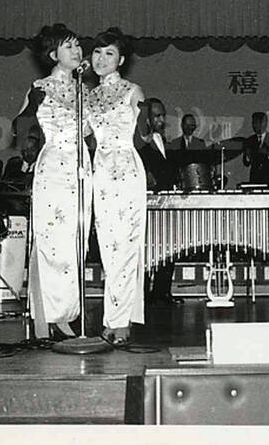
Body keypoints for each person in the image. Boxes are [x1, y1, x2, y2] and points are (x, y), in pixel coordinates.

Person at [13, 23, 90, 341]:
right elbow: (19, 126)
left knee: (76, 243)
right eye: (68, 46)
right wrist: (33, 138)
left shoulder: (85, 89)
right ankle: (46, 316)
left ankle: (67, 314)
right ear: (53, 54)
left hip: (80, 168)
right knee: (52, 243)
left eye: (77, 45)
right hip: (54, 169)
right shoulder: (40, 87)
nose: (77, 51)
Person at [86, 27, 147, 345]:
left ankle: (119, 321)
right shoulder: (88, 96)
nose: (101, 58)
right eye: (97, 52)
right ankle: (113, 317)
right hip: (100, 172)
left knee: (124, 246)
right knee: (108, 249)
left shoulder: (132, 90)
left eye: (109, 53)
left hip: (125, 170)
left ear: (121, 59)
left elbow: (148, 136)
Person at [137, 97, 183, 306]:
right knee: (147, 250)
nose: (162, 119)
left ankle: (162, 292)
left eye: (163, 115)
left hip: (168, 204)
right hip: (147, 205)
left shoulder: (165, 142)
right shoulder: (137, 144)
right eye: (157, 116)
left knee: (169, 248)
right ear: (147, 119)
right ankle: (143, 295)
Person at [243, 111, 269, 184]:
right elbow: (246, 163)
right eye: (253, 123)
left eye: (257, 122)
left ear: (264, 123)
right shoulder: (250, 140)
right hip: (256, 178)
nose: (255, 125)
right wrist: (247, 157)